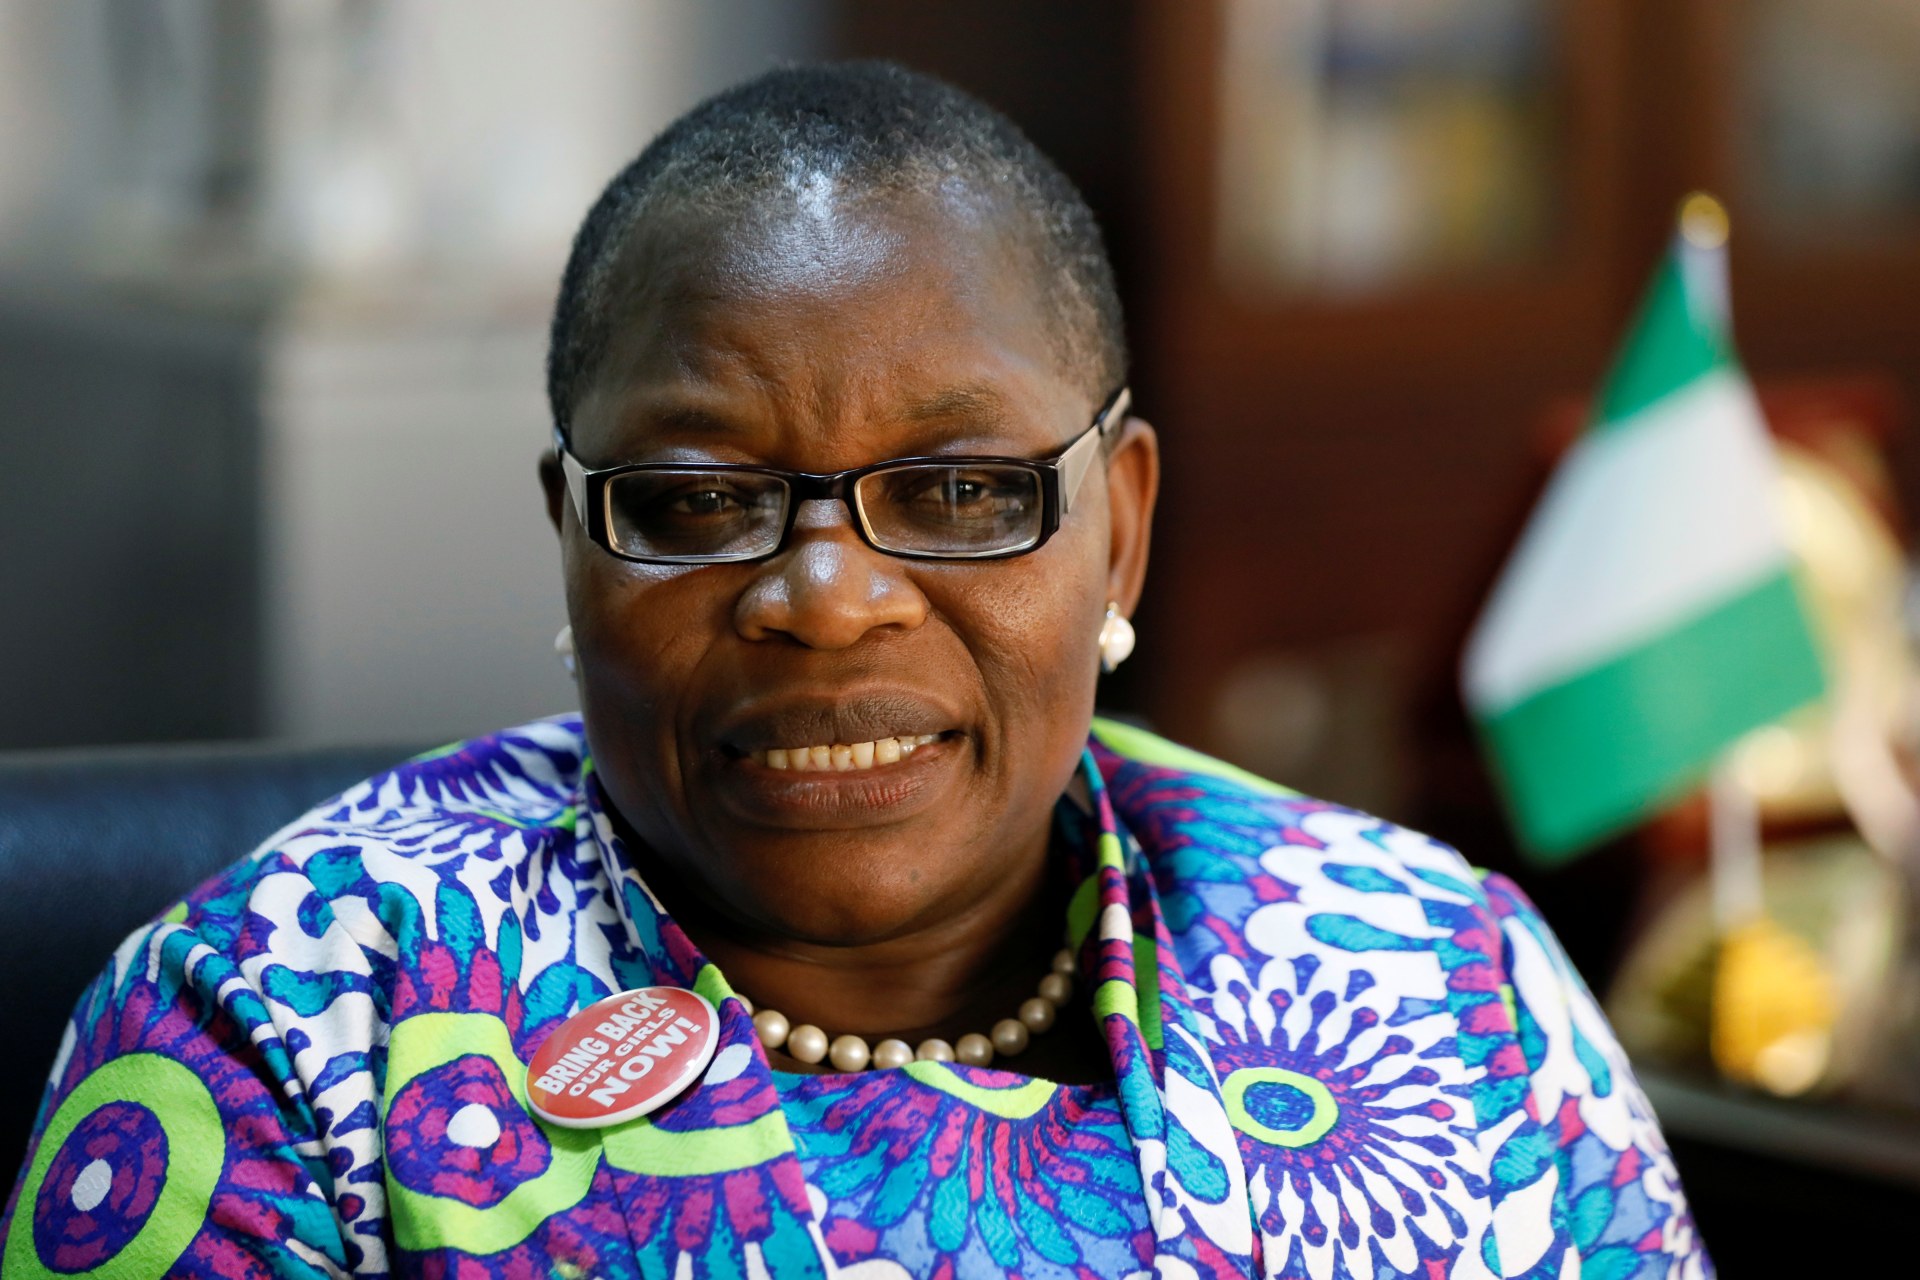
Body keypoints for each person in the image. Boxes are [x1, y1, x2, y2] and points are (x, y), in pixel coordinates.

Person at [3, 63, 1708, 1280]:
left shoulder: (1446, 986)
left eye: (962, 492)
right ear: (575, 537)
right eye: (694, 501)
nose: (825, 601)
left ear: (1118, 533)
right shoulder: (278, 1038)